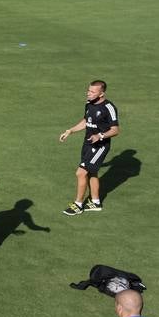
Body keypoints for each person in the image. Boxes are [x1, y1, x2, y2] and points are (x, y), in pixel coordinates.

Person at [59, 80, 119, 215]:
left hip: (100, 146)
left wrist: (100, 136)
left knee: (80, 172)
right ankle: (96, 202)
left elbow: (115, 130)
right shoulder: (89, 104)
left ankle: (78, 204)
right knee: (92, 172)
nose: (88, 93)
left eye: (92, 92)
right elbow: (86, 121)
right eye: (88, 90)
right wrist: (70, 131)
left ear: (102, 93)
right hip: (88, 144)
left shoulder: (109, 107)